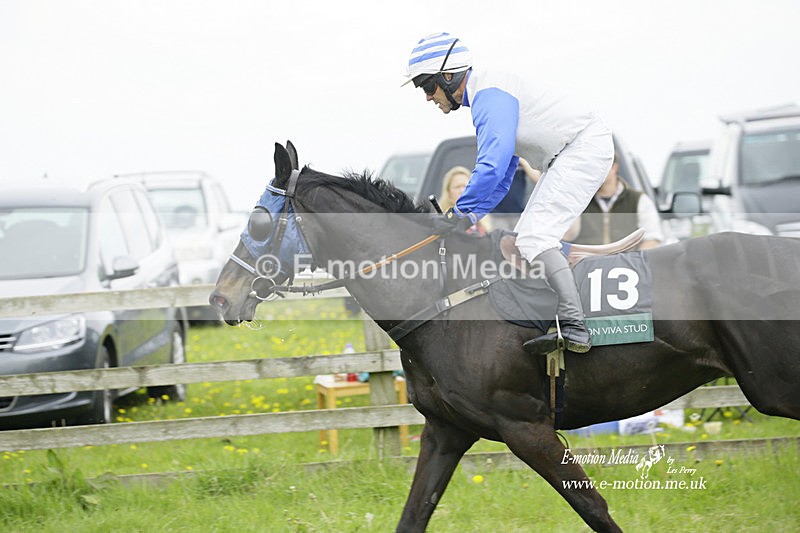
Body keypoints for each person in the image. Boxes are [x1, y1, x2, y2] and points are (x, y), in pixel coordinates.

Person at [404, 32, 614, 356]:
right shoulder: (487, 95)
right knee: (525, 240)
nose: (429, 97)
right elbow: (501, 179)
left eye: (427, 86)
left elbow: (490, 167)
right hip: (570, 152)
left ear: (448, 76)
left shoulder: (489, 94)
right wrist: (466, 217)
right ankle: (560, 318)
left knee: (533, 240)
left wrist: (459, 213)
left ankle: (575, 325)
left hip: (582, 147)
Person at [565, 151, 664, 249]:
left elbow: (652, 239)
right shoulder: (580, 200)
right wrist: (577, 195)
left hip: (625, 263)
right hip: (588, 263)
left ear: (614, 168)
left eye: (600, 167)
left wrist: (634, 262)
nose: (594, 172)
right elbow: (567, 236)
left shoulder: (639, 200)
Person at [439, 166, 492, 235]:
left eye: (465, 186)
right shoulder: (443, 220)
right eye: (457, 187)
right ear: (448, 192)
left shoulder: (482, 220)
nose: (462, 191)